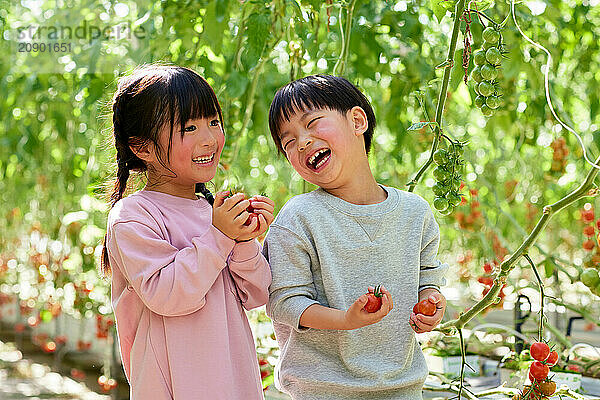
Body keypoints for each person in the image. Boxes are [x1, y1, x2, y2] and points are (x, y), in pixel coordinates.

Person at [263, 74, 449, 400]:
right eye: (288, 141)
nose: (302, 141)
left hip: (403, 390)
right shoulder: (297, 219)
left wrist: (431, 303)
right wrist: (345, 320)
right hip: (322, 393)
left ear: (357, 120)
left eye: (312, 123)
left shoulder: (414, 214)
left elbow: (428, 279)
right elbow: (285, 303)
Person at [100, 65, 274, 399]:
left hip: (234, 382)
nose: (210, 138)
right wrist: (220, 236)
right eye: (189, 127)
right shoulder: (133, 216)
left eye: (213, 122)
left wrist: (244, 241)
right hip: (173, 388)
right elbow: (168, 294)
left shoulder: (212, 211)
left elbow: (256, 294)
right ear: (143, 147)